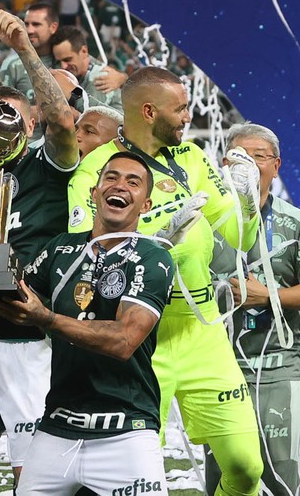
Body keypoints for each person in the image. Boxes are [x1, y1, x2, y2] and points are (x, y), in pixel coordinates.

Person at [67, 66, 264, 496]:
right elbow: (86, 249)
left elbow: (239, 236)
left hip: (201, 330)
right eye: (181, 108)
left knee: (247, 468)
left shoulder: (192, 158)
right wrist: (152, 234)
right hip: (136, 335)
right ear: (150, 111)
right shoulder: (97, 170)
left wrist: (248, 203)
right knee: (135, 478)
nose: (188, 116)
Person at [0, 9, 80, 495]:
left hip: (28, 339)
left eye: (10, 121)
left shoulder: (49, 167)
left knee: (34, 470)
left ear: (30, 123)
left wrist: (25, 49)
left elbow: (65, 123)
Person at [0, 151, 174, 494]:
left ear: (145, 205)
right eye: (111, 177)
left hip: (126, 431)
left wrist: (47, 319)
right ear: (94, 192)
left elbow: (124, 341)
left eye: (132, 182)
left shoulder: (153, 258)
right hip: (57, 428)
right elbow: (13, 293)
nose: (119, 186)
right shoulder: (61, 249)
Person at [203, 123, 300, 496]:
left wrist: (269, 296)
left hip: (280, 367)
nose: (248, 164)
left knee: (282, 480)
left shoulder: (294, 223)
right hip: (219, 372)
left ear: (275, 166)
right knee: (225, 478)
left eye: (258, 156)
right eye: (239, 156)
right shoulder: (204, 223)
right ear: (224, 164)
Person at [50, 25, 124, 113]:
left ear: (84, 51)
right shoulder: (76, 70)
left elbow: (90, 115)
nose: (63, 66)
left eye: (68, 59)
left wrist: (70, 92)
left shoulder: (100, 77)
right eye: (59, 61)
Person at [0, 2, 58, 105]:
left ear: (53, 27)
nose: (29, 30)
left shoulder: (66, 61)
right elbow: (3, 108)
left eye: (36, 24)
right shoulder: (12, 65)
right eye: (26, 24)